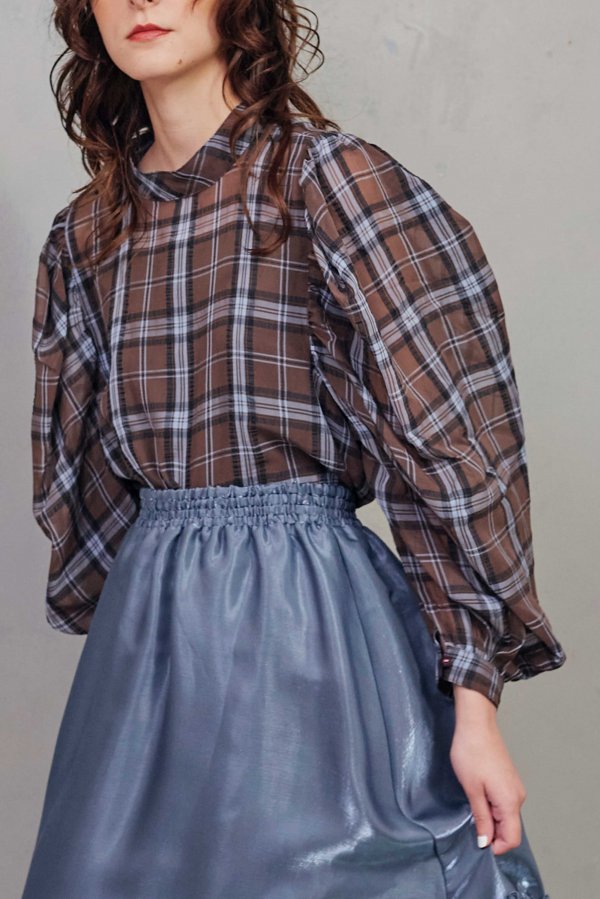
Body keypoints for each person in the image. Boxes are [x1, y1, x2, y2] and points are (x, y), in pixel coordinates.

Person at [22, 0, 567, 896]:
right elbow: (87, 493)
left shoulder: (328, 182)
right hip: (148, 652)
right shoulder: (85, 236)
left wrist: (474, 705)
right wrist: (136, 637)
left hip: (308, 629)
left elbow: (451, 437)